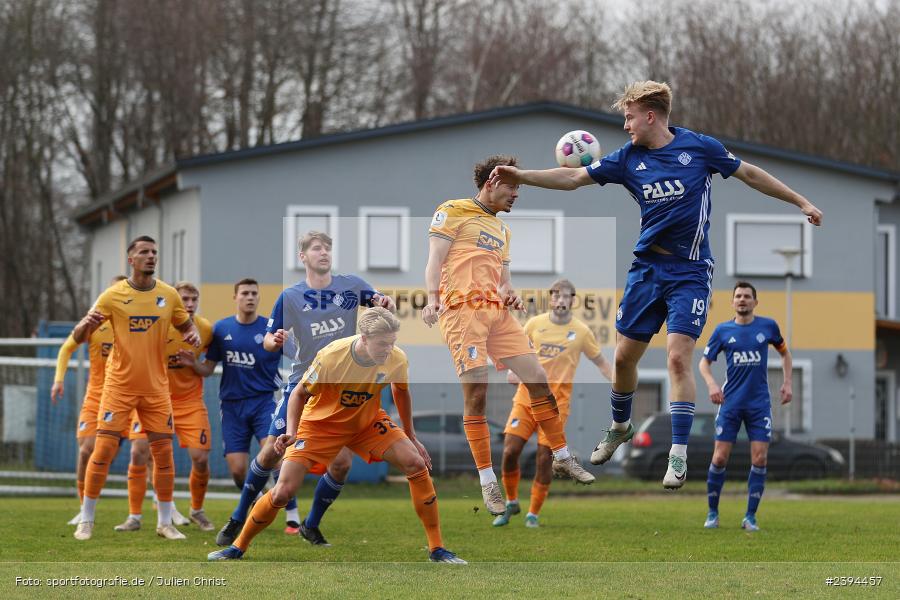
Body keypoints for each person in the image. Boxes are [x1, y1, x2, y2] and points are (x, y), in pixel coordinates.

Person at [488, 81, 822, 488]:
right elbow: (572, 178)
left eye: (629, 117)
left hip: (691, 272)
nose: (625, 125)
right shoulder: (627, 159)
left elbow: (750, 173)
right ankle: (620, 425)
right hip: (646, 270)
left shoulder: (699, 148)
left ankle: (678, 456)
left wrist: (801, 201)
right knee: (625, 358)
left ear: (650, 115)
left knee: (678, 358)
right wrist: (521, 174)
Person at [208, 307, 465, 563]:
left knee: (416, 464)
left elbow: (401, 393)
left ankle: (437, 549)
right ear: (363, 338)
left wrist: (411, 435)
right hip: (320, 425)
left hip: (366, 422)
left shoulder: (396, 358)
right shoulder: (333, 356)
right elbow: (299, 394)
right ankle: (237, 547)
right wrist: (292, 432)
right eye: (382, 344)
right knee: (282, 492)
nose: (388, 349)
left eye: (392, 343)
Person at [423, 155, 595, 517]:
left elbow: (503, 280)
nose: (517, 194)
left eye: (519, 188)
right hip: (462, 310)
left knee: (538, 379)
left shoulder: (503, 230)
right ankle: (487, 480)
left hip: (497, 312)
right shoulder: (452, 210)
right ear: (492, 181)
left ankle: (562, 456)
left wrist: (510, 293)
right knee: (478, 395)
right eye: (513, 186)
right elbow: (434, 261)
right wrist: (431, 299)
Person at [214, 231, 394, 547]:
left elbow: (380, 301)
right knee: (271, 452)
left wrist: (383, 301)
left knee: (341, 463)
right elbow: (269, 340)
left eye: (327, 248)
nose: (323, 252)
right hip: (304, 385)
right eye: (316, 248)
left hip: (339, 388)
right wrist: (275, 340)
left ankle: (311, 525)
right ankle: (238, 516)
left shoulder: (351, 286)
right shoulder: (291, 296)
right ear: (303, 257)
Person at [71, 235, 199, 541]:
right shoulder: (113, 295)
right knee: (101, 450)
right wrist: (85, 325)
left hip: (156, 388)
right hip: (119, 387)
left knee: (164, 455)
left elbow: (185, 325)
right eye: (144, 252)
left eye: (154, 251)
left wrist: (192, 334)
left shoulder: (168, 295)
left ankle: (164, 522)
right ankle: (86, 519)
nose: (151, 256)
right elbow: (78, 337)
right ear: (131, 259)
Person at [495, 279, 612, 528]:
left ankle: (533, 514)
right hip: (525, 400)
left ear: (573, 300)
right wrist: (512, 370)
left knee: (544, 459)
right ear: (551, 298)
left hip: (555, 406)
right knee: (509, 452)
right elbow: (516, 354)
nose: (561, 300)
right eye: (557, 296)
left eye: (566, 296)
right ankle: (511, 502)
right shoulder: (534, 324)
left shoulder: (581, 331)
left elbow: (601, 362)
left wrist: (619, 383)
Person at [115, 281, 215, 533]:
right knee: (138, 451)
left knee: (200, 458)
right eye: (184, 300)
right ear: (174, 301)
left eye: (194, 299)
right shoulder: (156, 326)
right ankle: (134, 516)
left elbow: (208, 370)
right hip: (155, 400)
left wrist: (194, 364)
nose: (190, 305)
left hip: (190, 403)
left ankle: (197, 510)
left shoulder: (205, 329)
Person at [699, 281, 792, 531]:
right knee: (719, 457)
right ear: (732, 302)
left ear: (755, 302)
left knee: (760, 458)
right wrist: (712, 385)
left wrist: (787, 383)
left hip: (759, 405)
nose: (742, 299)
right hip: (731, 403)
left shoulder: (768, 326)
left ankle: (750, 517)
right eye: (738, 296)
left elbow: (785, 353)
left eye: (747, 296)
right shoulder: (722, 331)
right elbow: (704, 363)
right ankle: (712, 513)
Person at [181, 279, 281, 491]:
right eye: (245, 293)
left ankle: (292, 516)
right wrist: (193, 364)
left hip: (264, 402)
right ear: (235, 297)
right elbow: (208, 369)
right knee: (237, 472)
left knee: (274, 456)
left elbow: (294, 352)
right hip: (232, 406)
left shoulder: (270, 328)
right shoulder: (221, 328)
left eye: (254, 293)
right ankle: (256, 499)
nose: (250, 297)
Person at [51, 275, 127, 525]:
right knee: (86, 451)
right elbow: (66, 348)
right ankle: (84, 508)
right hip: (95, 395)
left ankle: (162, 510)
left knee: (140, 453)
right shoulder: (94, 321)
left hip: (126, 396)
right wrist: (59, 380)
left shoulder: (135, 326)